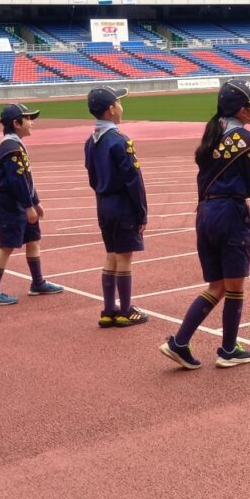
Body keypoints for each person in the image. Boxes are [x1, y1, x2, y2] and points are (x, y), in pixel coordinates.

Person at [159, 79, 250, 369]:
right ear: (242, 111)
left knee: (216, 285)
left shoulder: (213, 134)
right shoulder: (246, 141)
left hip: (206, 213)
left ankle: (180, 343)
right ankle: (228, 350)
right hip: (230, 214)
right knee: (233, 286)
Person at [0, 103, 64, 306]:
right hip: (9, 204)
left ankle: (38, 283)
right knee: (7, 246)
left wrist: (36, 201)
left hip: (20, 202)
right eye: (28, 119)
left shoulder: (16, 144)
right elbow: (16, 180)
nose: (31, 123)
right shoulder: (11, 148)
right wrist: (28, 206)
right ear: (16, 123)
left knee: (33, 239)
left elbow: (26, 178)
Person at [84, 85, 149, 328]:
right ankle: (125, 310)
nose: (121, 107)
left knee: (111, 255)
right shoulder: (120, 140)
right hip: (122, 204)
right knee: (124, 258)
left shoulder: (91, 141)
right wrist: (141, 212)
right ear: (111, 109)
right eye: (119, 103)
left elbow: (92, 177)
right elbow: (134, 180)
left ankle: (109, 310)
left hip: (103, 203)